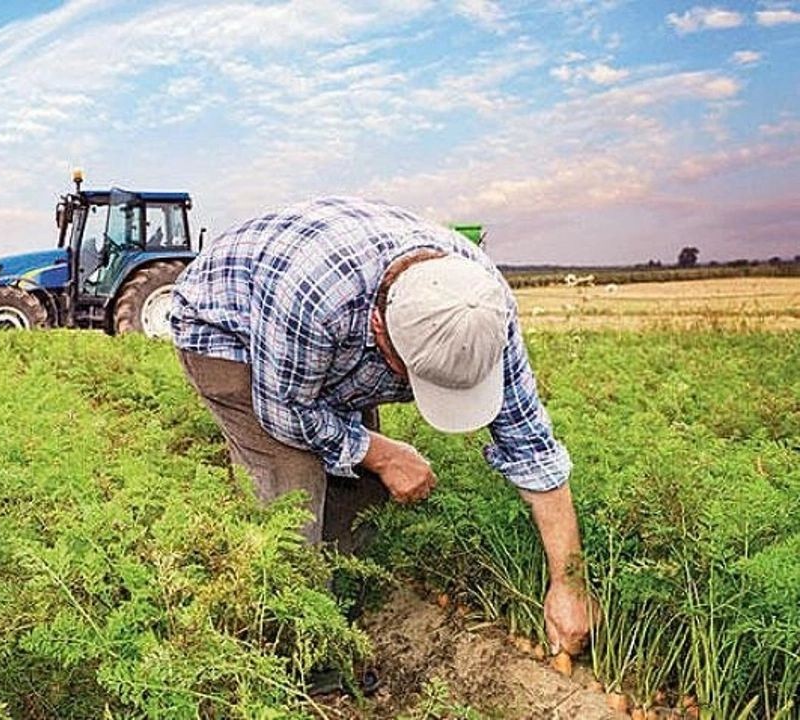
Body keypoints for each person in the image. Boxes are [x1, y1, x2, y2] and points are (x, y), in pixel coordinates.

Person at [169, 196, 595, 656]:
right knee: (292, 494)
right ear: (379, 329)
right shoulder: (315, 300)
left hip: (323, 338)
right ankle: (295, 649)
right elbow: (286, 412)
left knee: (361, 486)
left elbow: (531, 446)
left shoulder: (481, 307)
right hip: (229, 331)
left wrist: (569, 583)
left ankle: (344, 607)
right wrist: (386, 453)